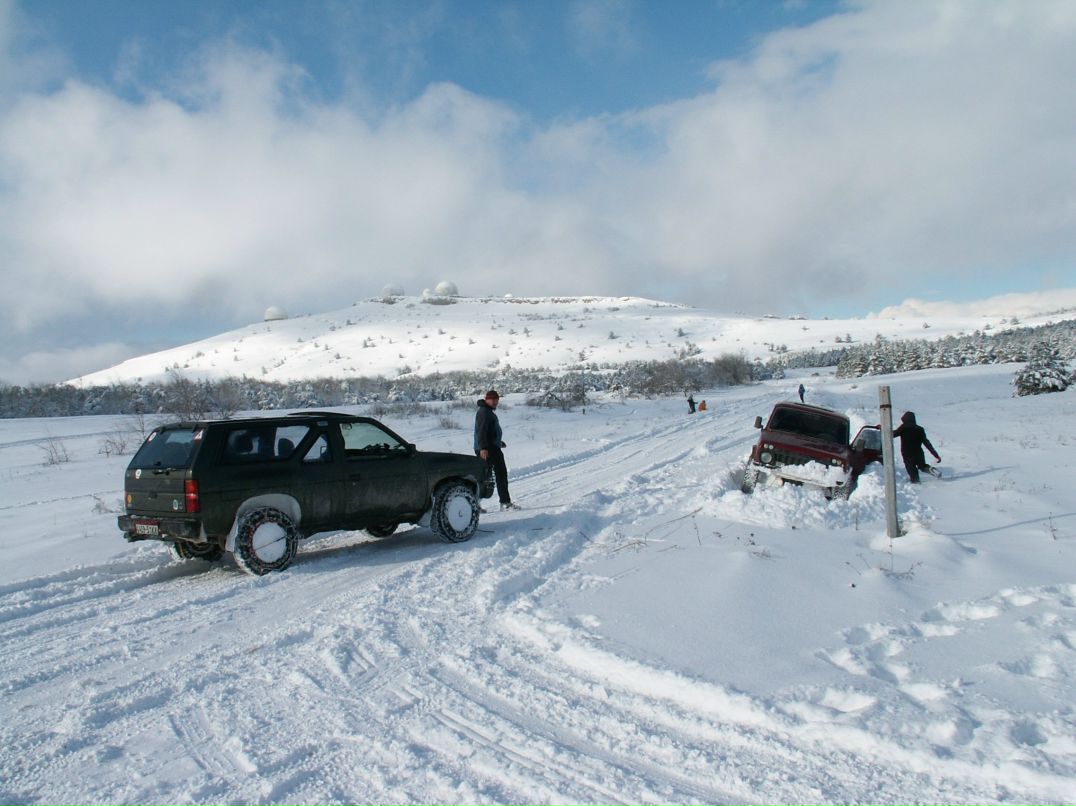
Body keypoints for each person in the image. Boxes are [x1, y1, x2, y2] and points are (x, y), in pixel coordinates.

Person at [474, 390, 517, 509]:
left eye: (496, 399)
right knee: (490, 477)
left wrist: (498, 442)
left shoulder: (487, 411)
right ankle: (504, 502)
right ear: (486, 399)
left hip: (491, 448)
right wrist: (483, 448)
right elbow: (481, 432)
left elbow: (490, 432)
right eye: (492, 399)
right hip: (487, 450)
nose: (495, 402)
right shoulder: (484, 412)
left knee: (489, 476)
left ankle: (476, 504)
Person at [892, 411, 941, 483]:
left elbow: (893, 434)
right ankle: (931, 470)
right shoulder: (920, 429)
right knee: (922, 466)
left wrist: (882, 428)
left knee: (911, 468)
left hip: (907, 453)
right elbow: (927, 443)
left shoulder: (904, 427)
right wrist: (936, 455)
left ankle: (916, 483)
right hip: (919, 452)